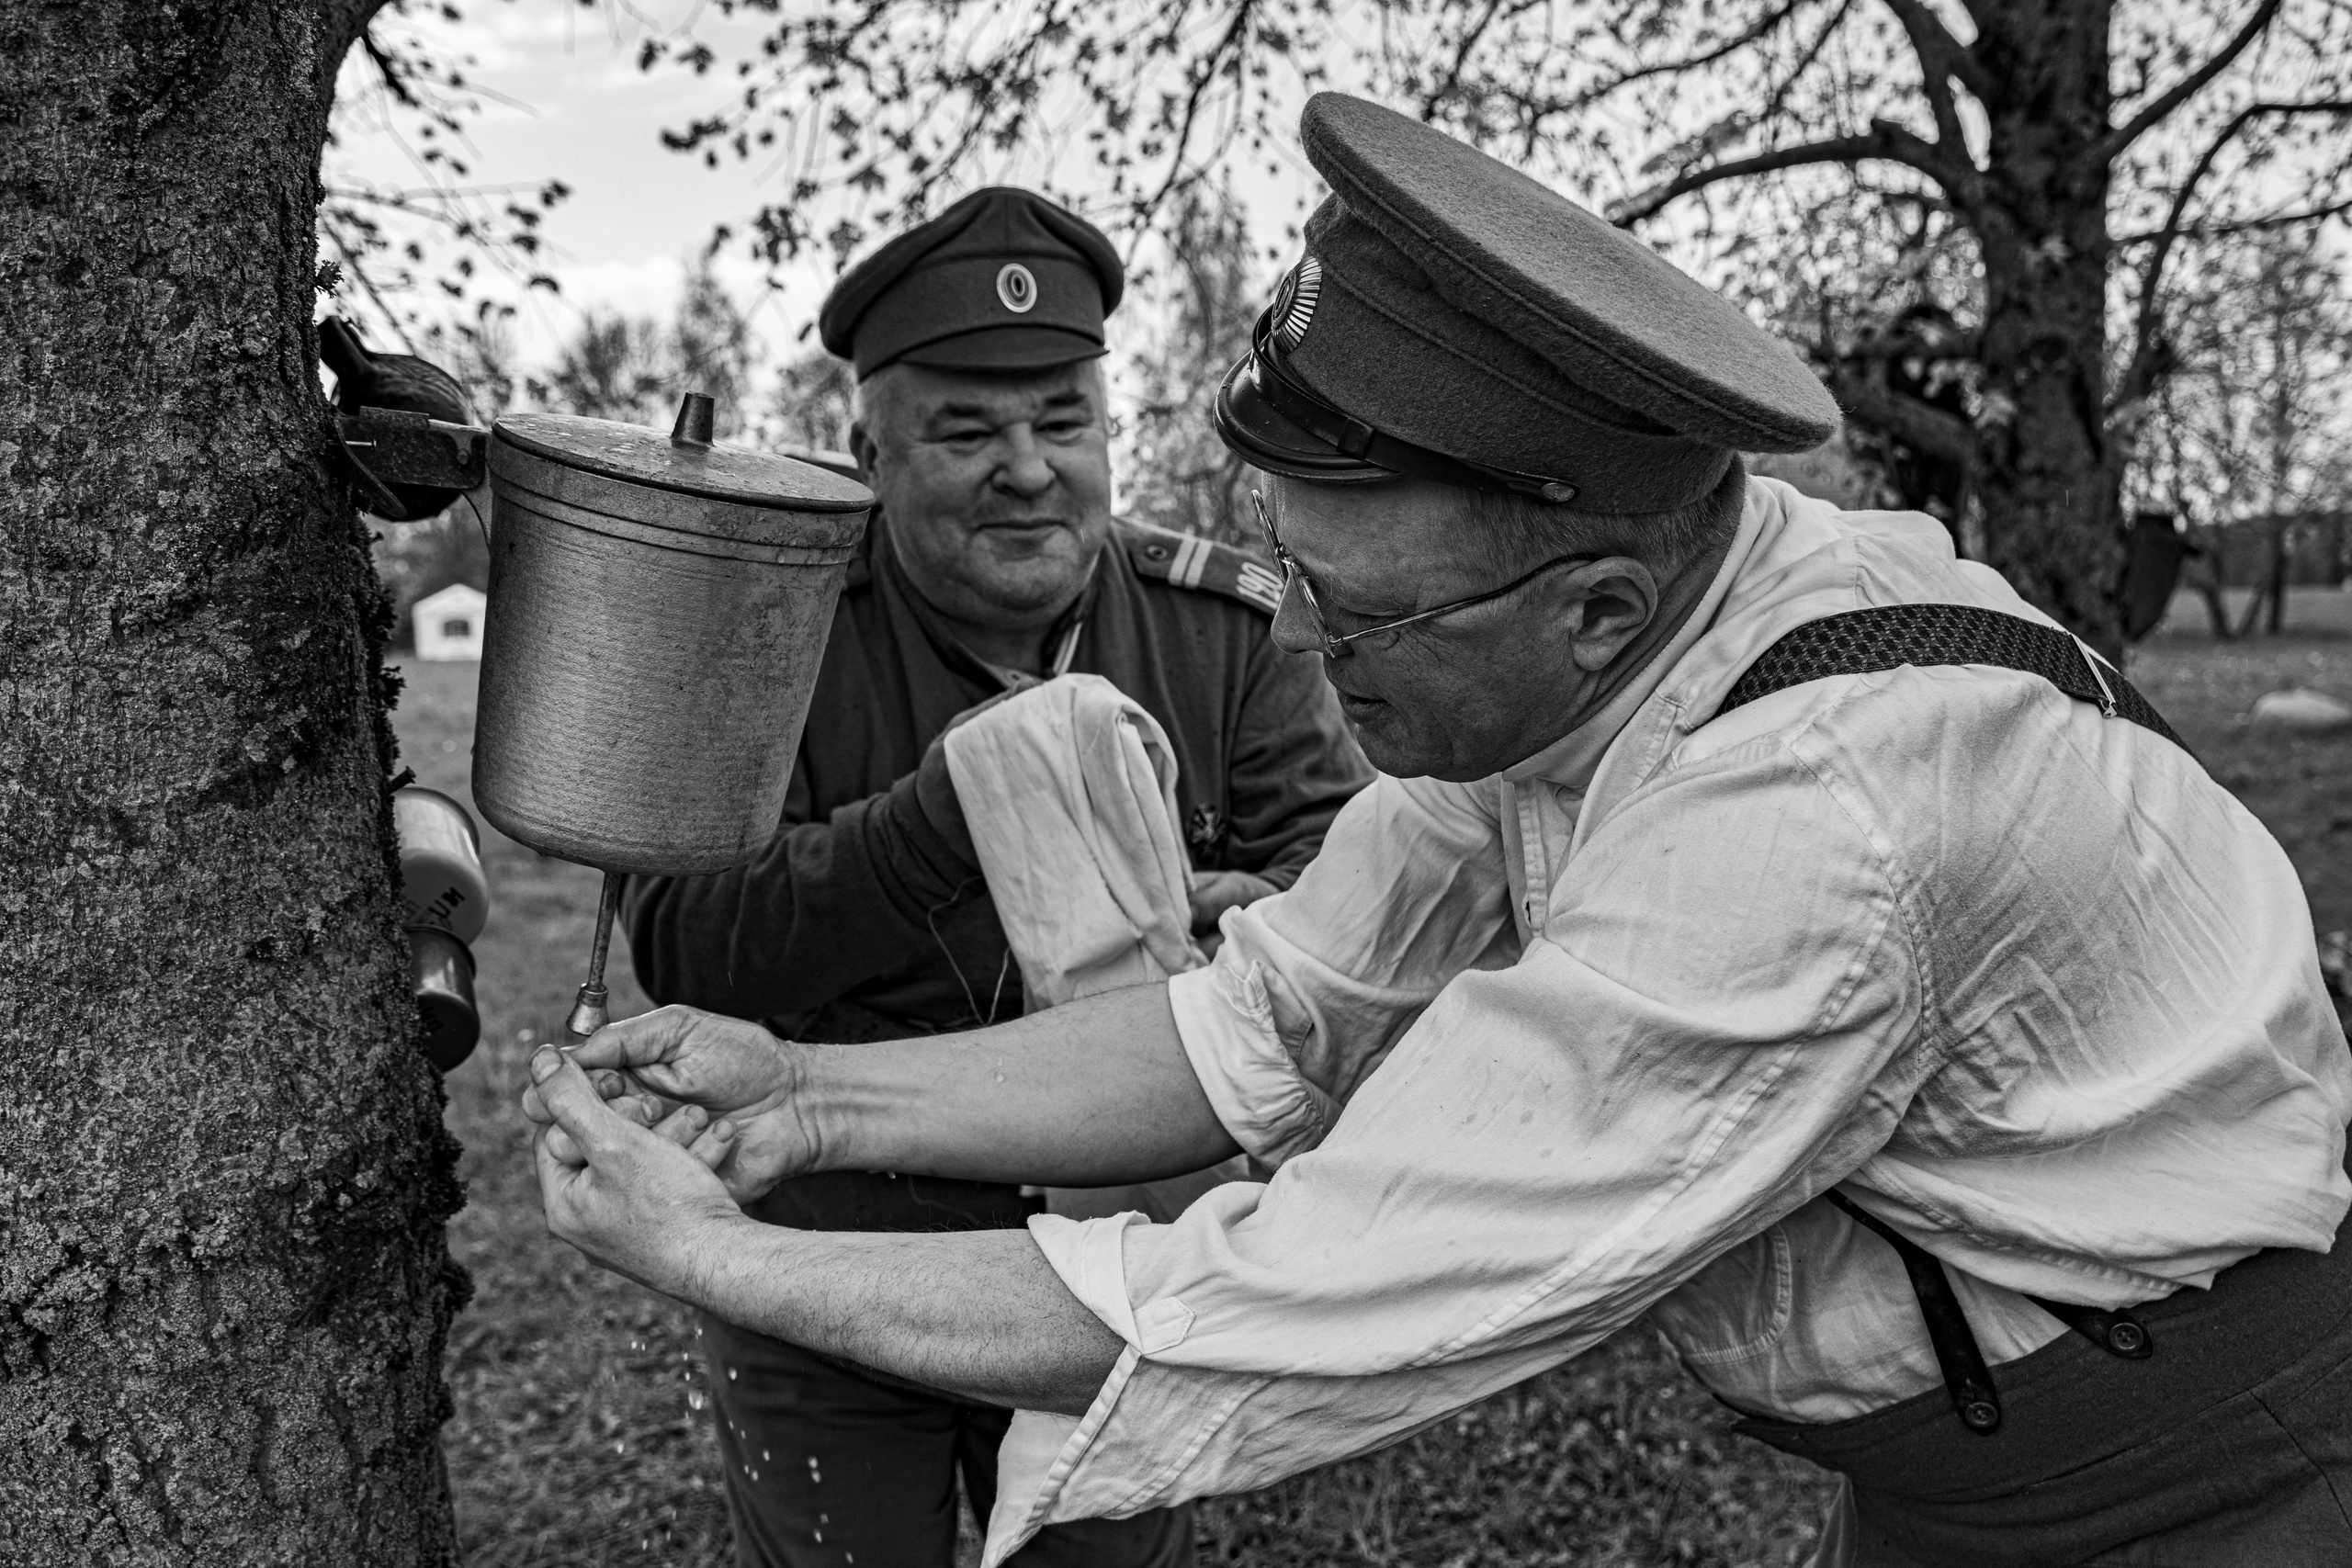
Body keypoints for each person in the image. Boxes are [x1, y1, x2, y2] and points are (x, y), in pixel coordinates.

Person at [538, 96, 2352, 1568]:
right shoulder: (1596, 651)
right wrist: (801, 1097)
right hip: (1970, 1462)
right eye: (1308, 595)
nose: (1320, 674)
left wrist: (718, 1251)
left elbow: (1292, 1281)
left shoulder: (1804, 827)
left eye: (1366, 628)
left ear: (1596, 604)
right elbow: (1256, 1019)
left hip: (2212, 1486)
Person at [617, 185, 1370, 1568]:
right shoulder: (778, 634)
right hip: (832, 1250)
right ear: (869, 453)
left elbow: (1349, 883)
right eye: (966, 431)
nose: (1028, 468)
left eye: (1063, 423)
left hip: (1122, 1254)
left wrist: (1254, 912)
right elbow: (679, 946)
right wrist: (928, 827)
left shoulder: (1225, 631)